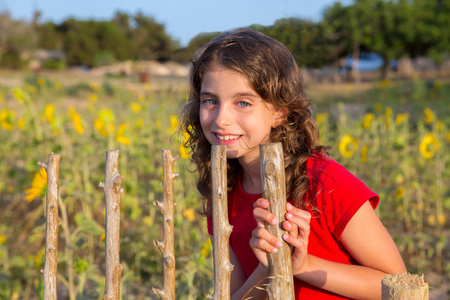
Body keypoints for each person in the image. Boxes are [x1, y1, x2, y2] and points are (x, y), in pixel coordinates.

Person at [179, 28, 406, 299]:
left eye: (242, 102)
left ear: (279, 112)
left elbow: (398, 285)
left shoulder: (326, 182)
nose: (220, 119)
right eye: (210, 101)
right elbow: (237, 296)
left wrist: (304, 264)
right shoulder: (221, 197)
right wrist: (272, 264)